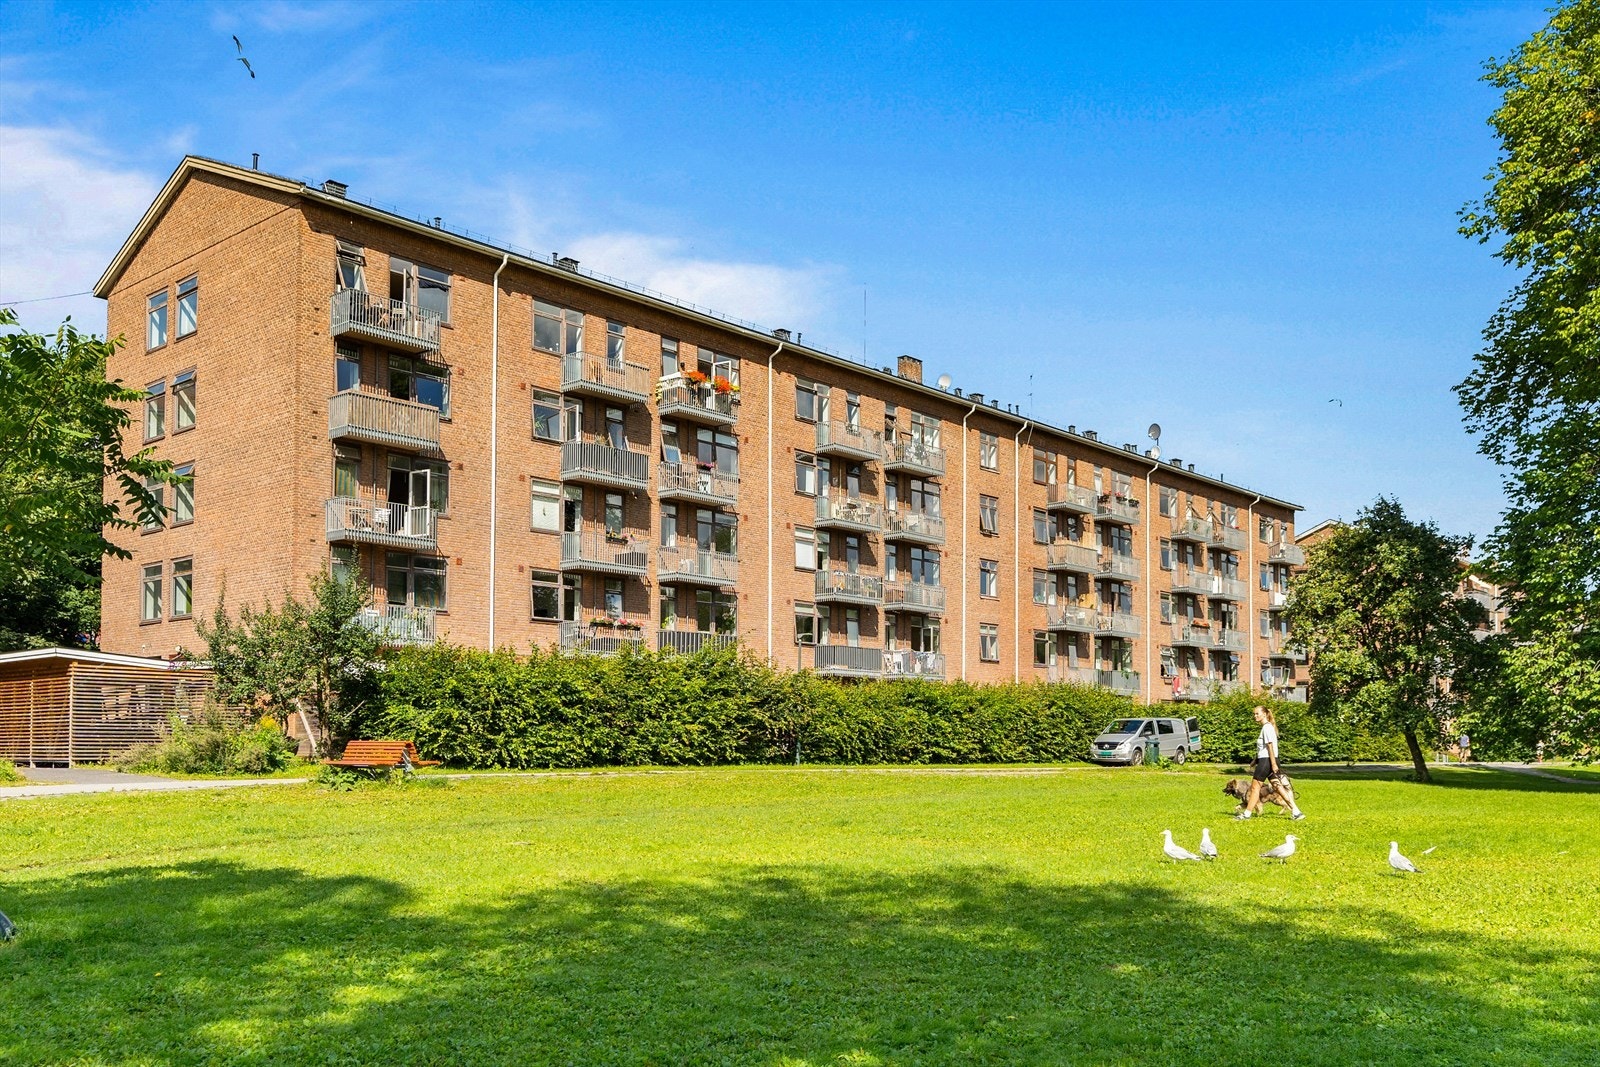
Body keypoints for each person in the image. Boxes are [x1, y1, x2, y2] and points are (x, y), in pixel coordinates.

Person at [1237, 705, 1304, 820]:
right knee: (1278, 787)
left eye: (1257, 714)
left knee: (1255, 788)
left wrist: (1272, 764)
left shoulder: (1267, 728)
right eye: (1254, 714)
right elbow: (1263, 748)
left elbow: (1270, 746)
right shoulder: (1268, 727)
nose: (1255, 716)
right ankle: (1296, 812)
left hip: (1267, 761)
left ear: (1264, 714)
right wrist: (1255, 760)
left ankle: (1247, 814)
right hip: (1268, 760)